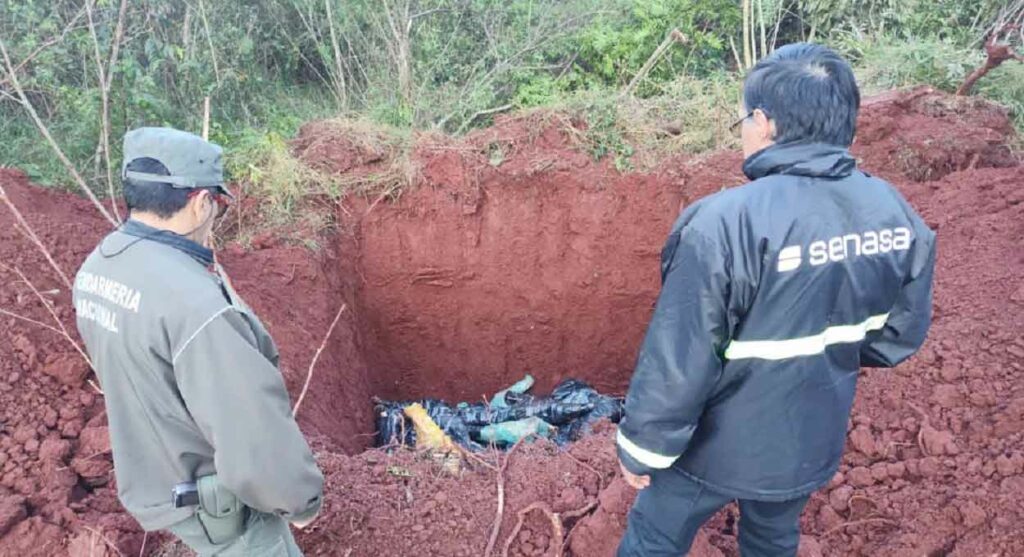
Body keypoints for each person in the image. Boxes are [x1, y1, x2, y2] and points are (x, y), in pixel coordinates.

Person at [614, 43, 936, 556]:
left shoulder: (723, 222)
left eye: (743, 118)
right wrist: (825, 352)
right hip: (807, 442)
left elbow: (681, 357)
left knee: (655, 536)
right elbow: (899, 336)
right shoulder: (893, 212)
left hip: (712, 451)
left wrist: (642, 449)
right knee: (772, 536)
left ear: (764, 122)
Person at [73, 128, 324, 556]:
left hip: (157, 476)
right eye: (218, 206)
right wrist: (299, 501)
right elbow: (251, 433)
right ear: (201, 202)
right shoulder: (199, 311)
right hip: (216, 504)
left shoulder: (99, 268)